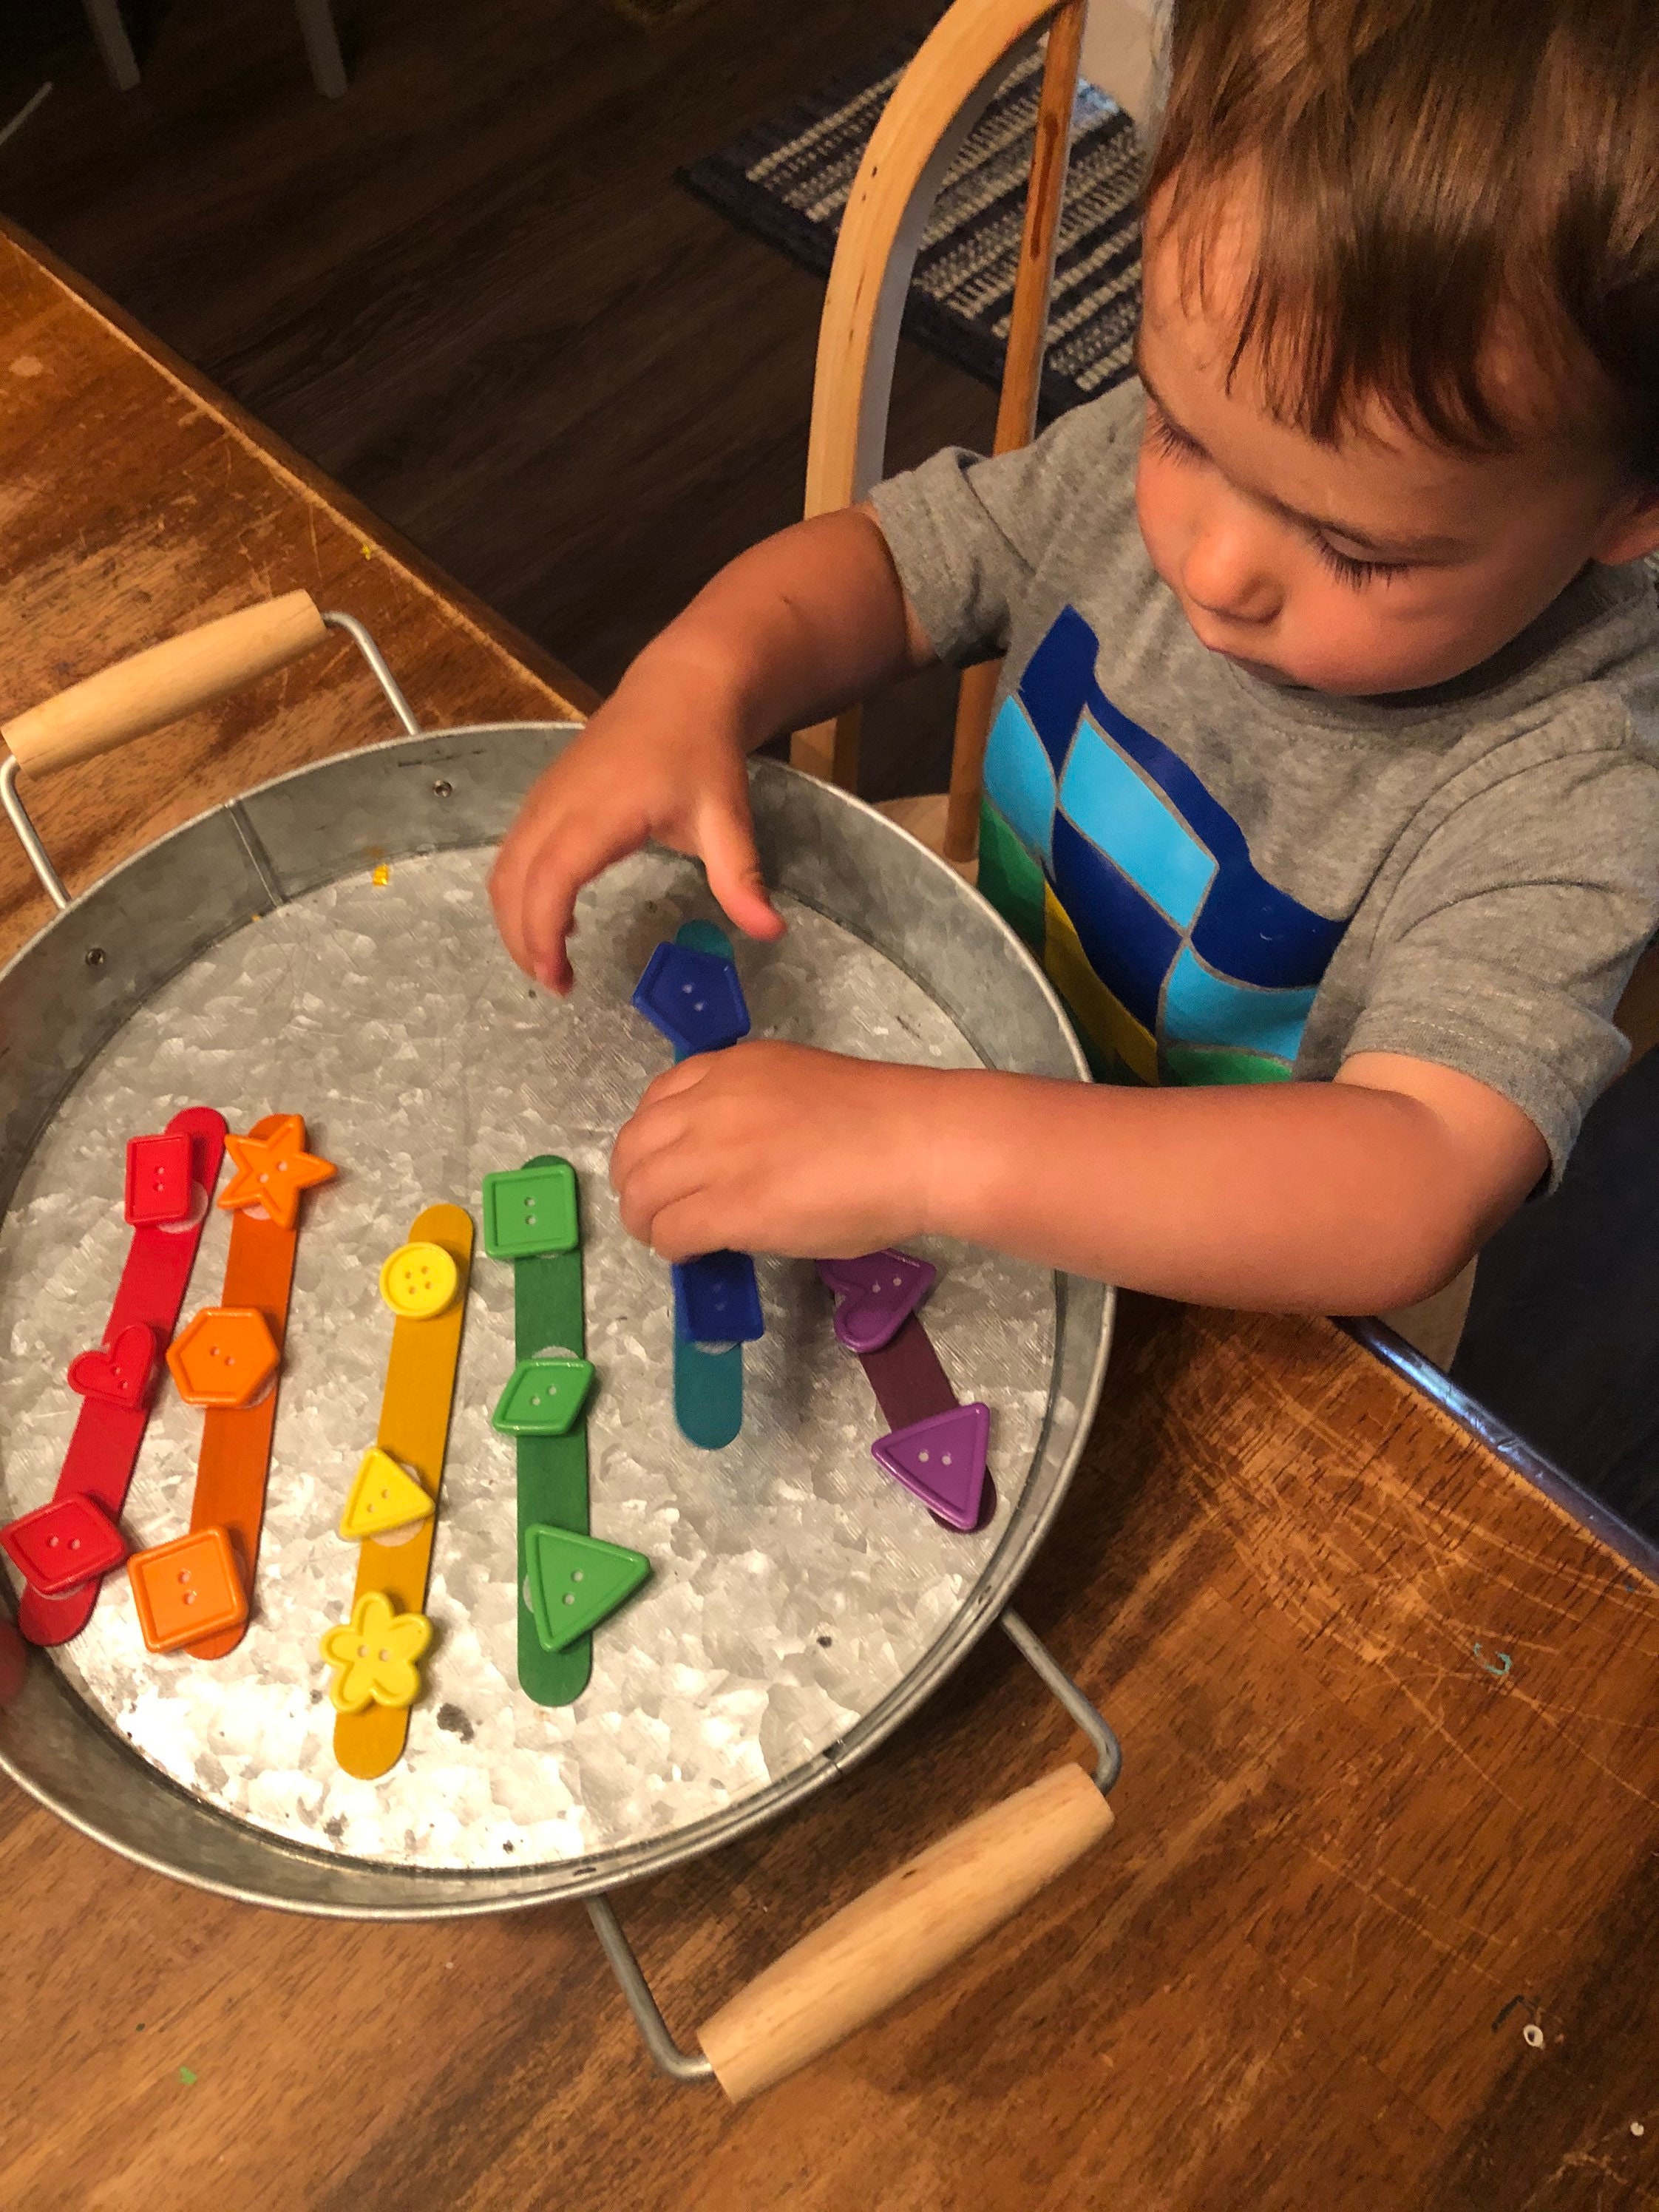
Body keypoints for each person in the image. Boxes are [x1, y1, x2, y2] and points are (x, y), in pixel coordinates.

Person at [489, 0, 1659, 1318]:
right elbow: (897, 562)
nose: (1214, 565)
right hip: (970, 1051)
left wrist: (928, 1147)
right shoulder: (1197, 445)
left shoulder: (1577, 784)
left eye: (1355, 550)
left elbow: (1416, 1178)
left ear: (1630, 507)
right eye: (1179, 431)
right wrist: (692, 683)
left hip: (1247, 1279)